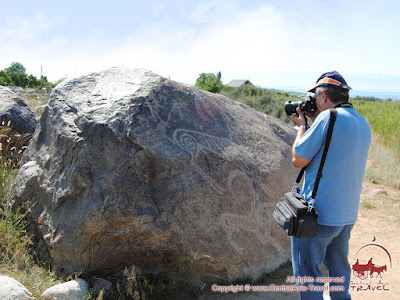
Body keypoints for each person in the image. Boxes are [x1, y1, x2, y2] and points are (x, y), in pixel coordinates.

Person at [291, 71, 371, 300]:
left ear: (323, 96)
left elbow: (298, 158)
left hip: (318, 217)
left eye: (316, 98)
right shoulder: (362, 122)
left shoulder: (328, 119)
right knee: (339, 272)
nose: (314, 103)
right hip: (346, 216)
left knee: (308, 275)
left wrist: (301, 128)